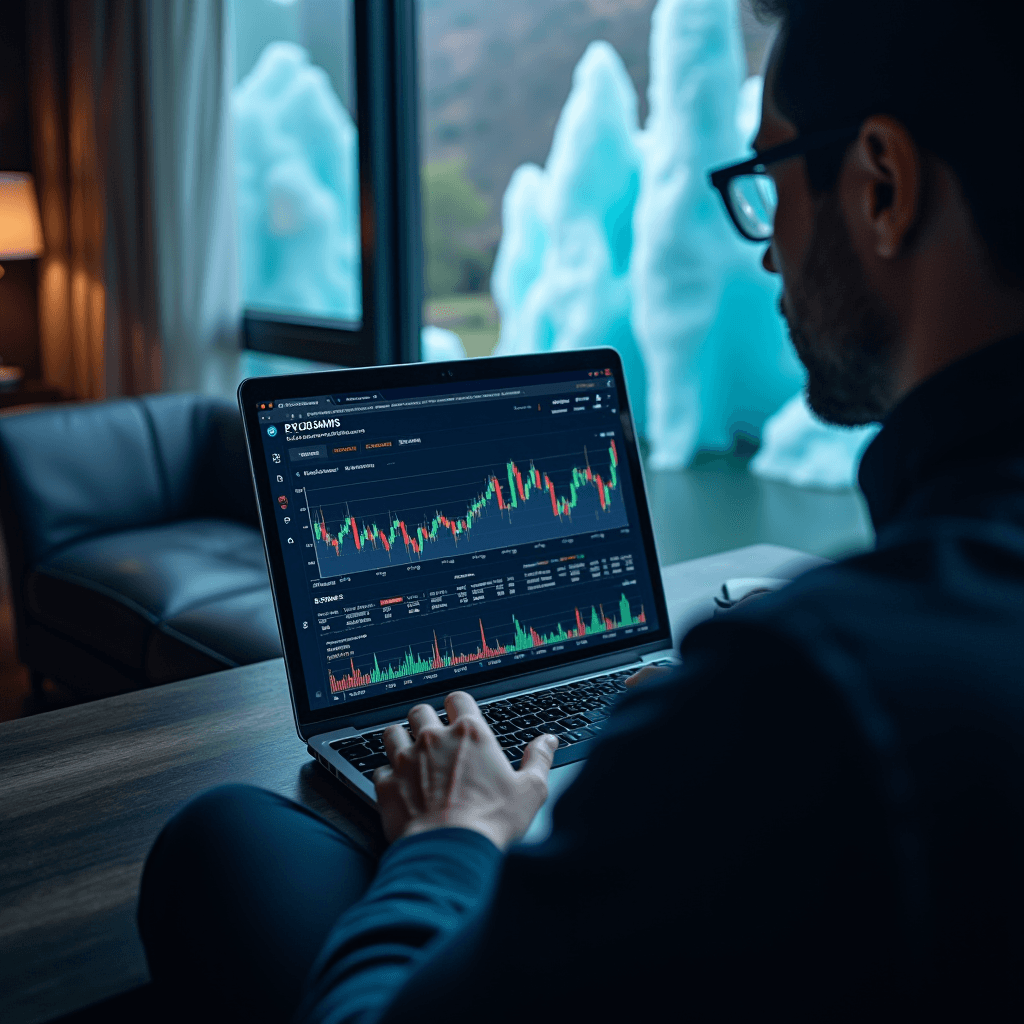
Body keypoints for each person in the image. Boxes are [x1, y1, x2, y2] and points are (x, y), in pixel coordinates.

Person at [138, 1, 1024, 1019]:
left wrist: (449, 840)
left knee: (223, 835)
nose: (769, 249)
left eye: (767, 178)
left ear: (881, 185)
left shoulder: (804, 694)